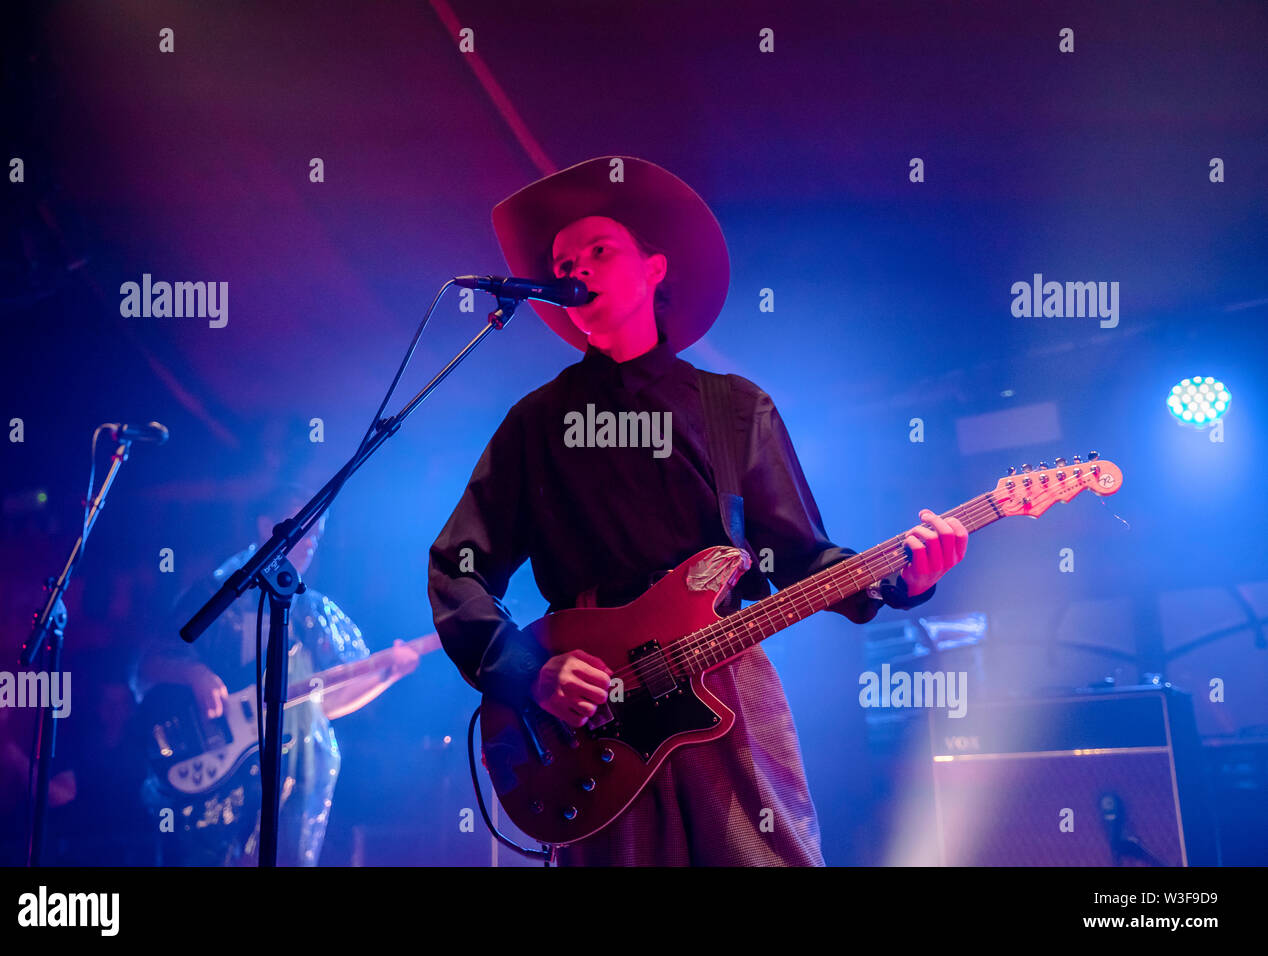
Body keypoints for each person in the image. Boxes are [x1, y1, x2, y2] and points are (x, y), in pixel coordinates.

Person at [427, 156, 968, 866]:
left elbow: (802, 555)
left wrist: (906, 578)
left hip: (726, 682)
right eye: (564, 260)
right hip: (593, 714)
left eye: (599, 250)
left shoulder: (734, 407)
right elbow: (458, 566)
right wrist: (529, 671)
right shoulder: (536, 423)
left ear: (654, 269)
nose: (578, 267)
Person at [136, 487, 419, 865]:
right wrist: (195, 673)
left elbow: (327, 703)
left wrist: (387, 674)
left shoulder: (311, 610)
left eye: (319, 533)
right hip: (213, 779)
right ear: (267, 526)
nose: (312, 541)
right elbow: (148, 663)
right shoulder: (214, 593)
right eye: (305, 528)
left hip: (292, 780)